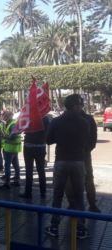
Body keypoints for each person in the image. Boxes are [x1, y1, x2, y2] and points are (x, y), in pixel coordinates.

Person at [44, 94, 91, 239]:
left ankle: (54, 227)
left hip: (61, 162)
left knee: (57, 195)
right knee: (78, 196)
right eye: (80, 105)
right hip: (78, 161)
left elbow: (49, 140)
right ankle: (81, 229)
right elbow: (87, 140)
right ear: (75, 106)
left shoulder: (57, 121)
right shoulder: (85, 122)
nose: (81, 107)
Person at [65, 97, 100, 213]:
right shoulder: (89, 119)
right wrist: (87, 150)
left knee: (70, 178)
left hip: (71, 154)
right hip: (84, 154)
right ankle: (92, 204)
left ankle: (72, 203)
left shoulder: (64, 119)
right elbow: (93, 140)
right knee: (88, 178)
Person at [19, 115, 50, 199]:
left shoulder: (30, 116)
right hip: (41, 146)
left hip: (29, 146)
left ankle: (28, 192)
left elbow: (22, 128)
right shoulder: (45, 118)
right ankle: (43, 192)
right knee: (41, 170)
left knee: (29, 170)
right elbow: (47, 132)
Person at [0, 111, 22, 190]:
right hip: (14, 149)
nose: (4, 118)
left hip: (10, 149)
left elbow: (12, 137)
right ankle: (17, 181)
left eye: (5, 117)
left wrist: (4, 136)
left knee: (7, 166)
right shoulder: (14, 124)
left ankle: (7, 184)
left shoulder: (12, 125)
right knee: (16, 166)